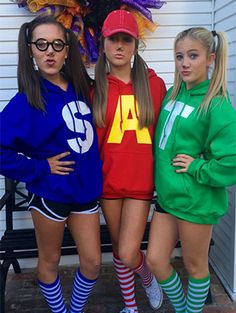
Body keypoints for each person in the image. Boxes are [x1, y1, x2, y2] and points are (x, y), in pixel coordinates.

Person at [0, 15, 103, 313]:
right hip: (49, 194)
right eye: (41, 44)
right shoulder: (26, 100)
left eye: (57, 44)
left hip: (84, 193)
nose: (50, 51)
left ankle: (74, 309)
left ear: (67, 50)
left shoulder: (83, 86)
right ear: (31, 49)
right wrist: (40, 168)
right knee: (50, 260)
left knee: (94, 262)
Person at [146, 27, 236, 313]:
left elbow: (230, 161)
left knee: (195, 266)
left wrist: (197, 166)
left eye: (193, 56)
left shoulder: (217, 104)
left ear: (210, 59)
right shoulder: (173, 93)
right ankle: (185, 309)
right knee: (156, 260)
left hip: (196, 200)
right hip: (169, 197)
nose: (185, 63)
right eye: (180, 56)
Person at [92, 9, 166, 313]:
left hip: (139, 183)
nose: (120, 46)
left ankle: (147, 275)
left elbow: (170, 132)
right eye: (114, 39)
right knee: (119, 251)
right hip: (108, 181)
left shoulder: (155, 85)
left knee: (127, 249)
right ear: (104, 44)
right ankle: (131, 306)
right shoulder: (95, 88)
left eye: (126, 40)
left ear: (135, 45)